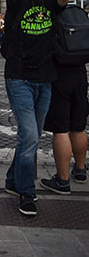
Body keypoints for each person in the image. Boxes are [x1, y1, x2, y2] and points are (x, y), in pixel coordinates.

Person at [2, 0, 70, 216]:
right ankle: (26, 194)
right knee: (29, 136)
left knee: (32, 136)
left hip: (46, 78)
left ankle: (11, 179)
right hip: (19, 78)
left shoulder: (50, 2)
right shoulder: (17, 2)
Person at [40, 61, 88, 195]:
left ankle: (62, 180)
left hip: (58, 75)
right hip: (79, 73)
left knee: (61, 130)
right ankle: (80, 169)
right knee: (78, 127)